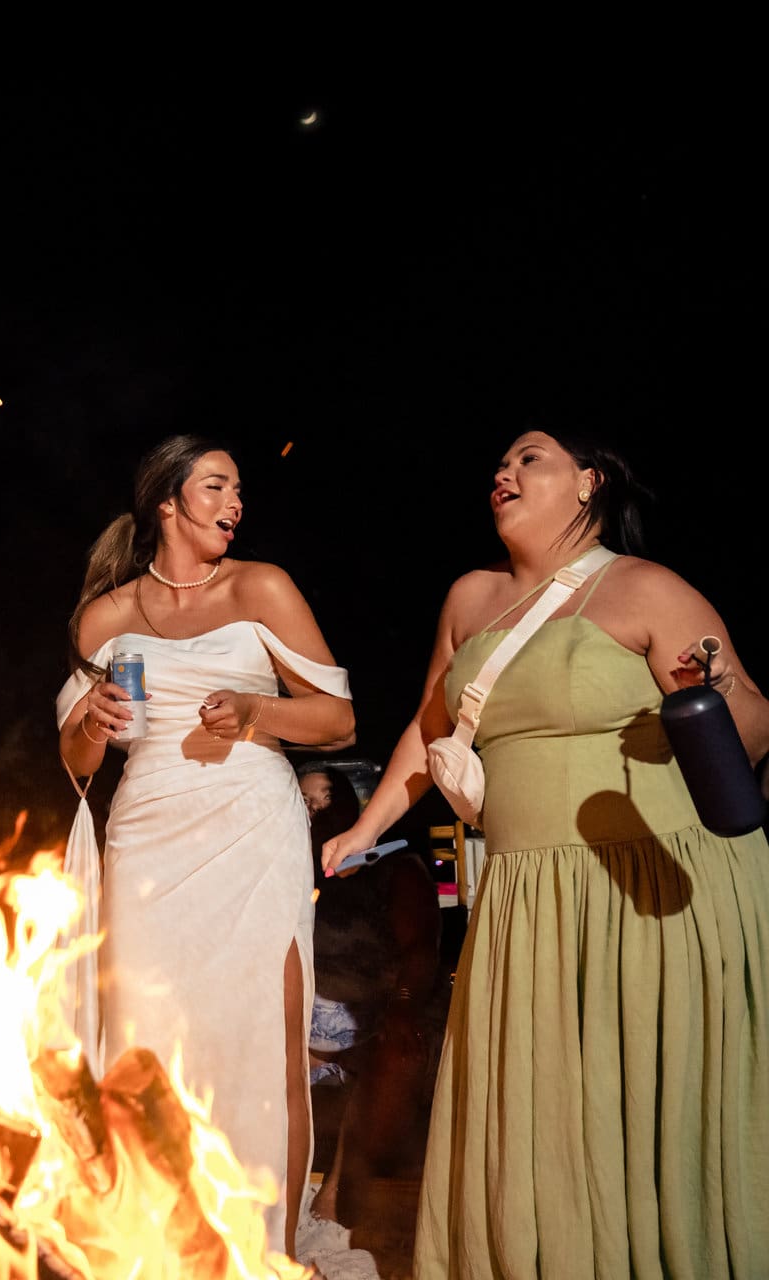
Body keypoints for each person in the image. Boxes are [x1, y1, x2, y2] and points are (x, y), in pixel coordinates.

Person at [321, 428, 769, 1277]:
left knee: (647, 1100)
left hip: (650, 882)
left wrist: (706, 695)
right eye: (500, 462)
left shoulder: (643, 585)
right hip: (526, 894)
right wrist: (366, 828)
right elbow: (430, 728)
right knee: (550, 1109)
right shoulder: (470, 598)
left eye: (532, 458)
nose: (505, 470)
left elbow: (750, 724)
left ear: (588, 483)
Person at [55, 435, 354, 1259]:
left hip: (252, 825)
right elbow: (77, 764)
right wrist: (93, 720)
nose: (235, 503)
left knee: (263, 1039)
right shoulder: (107, 613)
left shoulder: (262, 587)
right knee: (147, 1037)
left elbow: (337, 717)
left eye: (238, 490)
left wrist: (258, 714)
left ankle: (272, 1251)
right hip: (149, 835)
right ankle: (160, 1243)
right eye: (217, 486)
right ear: (167, 502)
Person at [297, 764, 439, 1226]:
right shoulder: (291, 869)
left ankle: (337, 1196)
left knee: (397, 1058)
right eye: (302, 801)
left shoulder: (392, 869)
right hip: (298, 1036)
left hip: (367, 1031)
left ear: (348, 807)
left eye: (321, 800)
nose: (312, 811)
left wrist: (400, 1008)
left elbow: (421, 948)